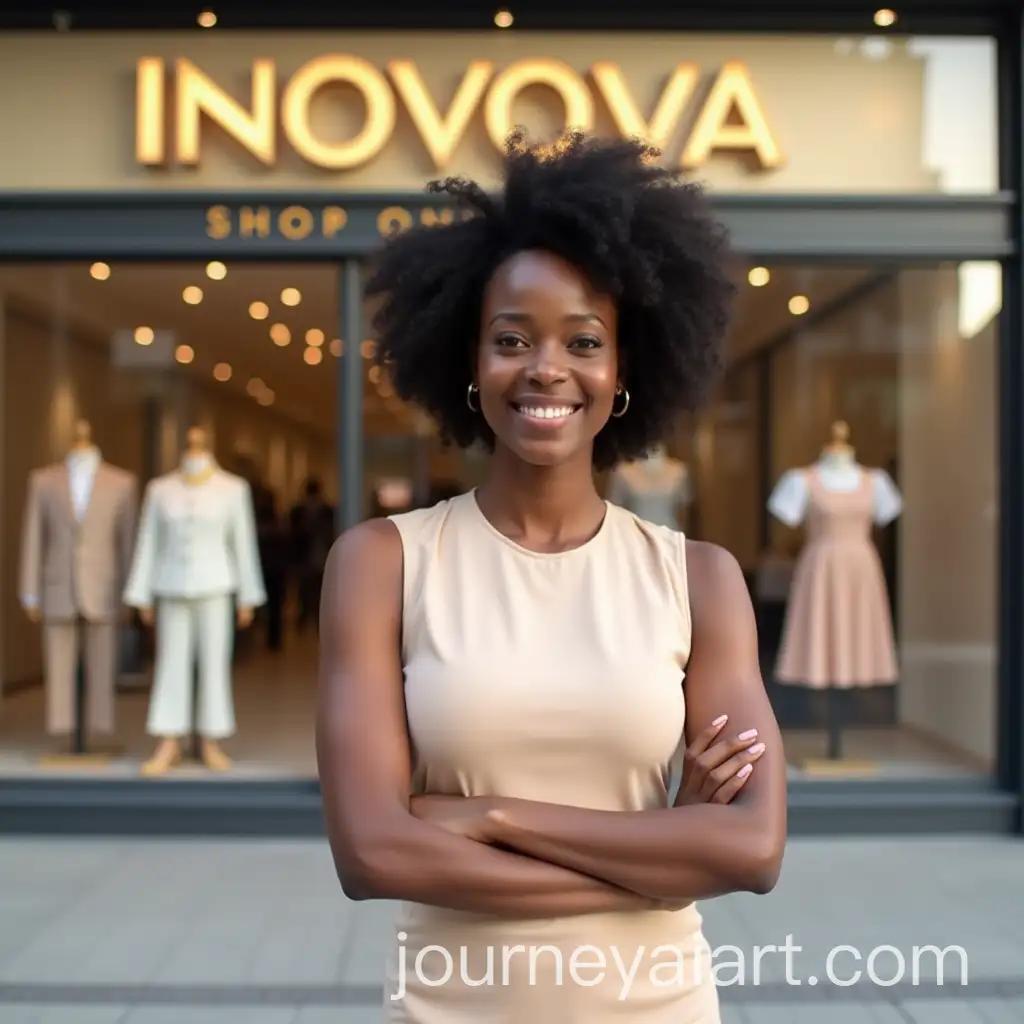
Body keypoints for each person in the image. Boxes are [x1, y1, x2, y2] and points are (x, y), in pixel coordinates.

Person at [316, 130, 787, 1023]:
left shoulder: (701, 580)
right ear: (468, 360)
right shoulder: (382, 563)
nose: (546, 368)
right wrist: (657, 858)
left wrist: (489, 816)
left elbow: (753, 848)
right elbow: (372, 853)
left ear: (622, 372)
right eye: (510, 338)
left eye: (583, 340)